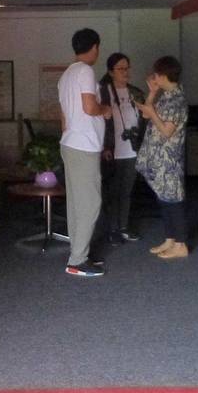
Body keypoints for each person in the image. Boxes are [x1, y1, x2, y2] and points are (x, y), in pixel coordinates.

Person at [58, 28, 112, 277]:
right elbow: (90, 107)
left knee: (76, 203)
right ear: (95, 47)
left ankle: (78, 253)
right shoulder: (86, 71)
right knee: (90, 203)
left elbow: (63, 116)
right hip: (83, 146)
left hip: (70, 143)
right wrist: (105, 110)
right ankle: (77, 260)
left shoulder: (66, 75)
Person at [135, 56, 189, 259]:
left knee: (173, 200)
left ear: (164, 75)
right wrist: (152, 93)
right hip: (158, 159)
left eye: (156, 74)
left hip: (169, 159)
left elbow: (167, 131)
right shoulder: (166, 95)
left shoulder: (177, 100)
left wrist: (152, 113)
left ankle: (181, 244)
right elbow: (146, 115)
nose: (154, 77)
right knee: (163, 198)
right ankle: (170, 239)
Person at [99, 53, 145, 245]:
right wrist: (103, 145)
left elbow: (144, 118)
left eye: (127, 68)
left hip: (132, 148)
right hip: (112, 149)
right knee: (113, 191)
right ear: (111, 72)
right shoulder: (103, 92)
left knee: (127, 190)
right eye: (120, 69)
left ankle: (124, 226)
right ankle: (112, 229)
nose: (125, 72)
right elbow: (98, 121)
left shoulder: (135, 92)